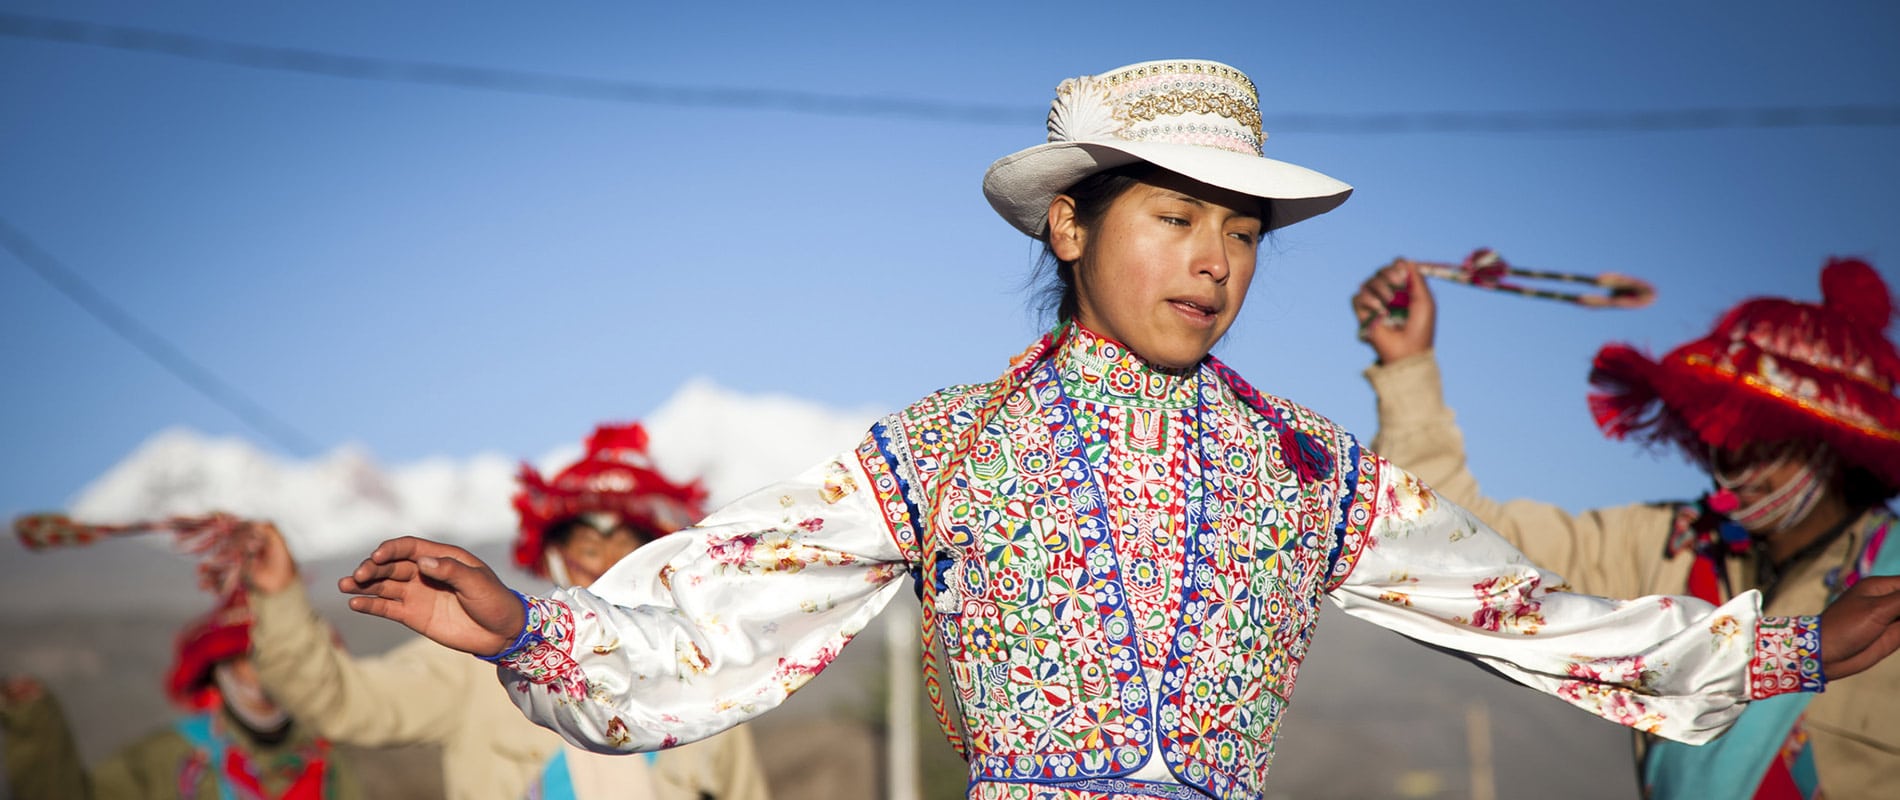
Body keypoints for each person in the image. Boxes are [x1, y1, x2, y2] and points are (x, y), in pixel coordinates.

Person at [336, 59, 1900, 800]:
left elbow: (1524, 615)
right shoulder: (949, 444)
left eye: (1241, 232)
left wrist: (1775, 656)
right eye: (1174, 218)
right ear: (1075, 227)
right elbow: (728, 606)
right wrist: (524, 627)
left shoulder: (1305, 464)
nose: (1214, 261)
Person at [1353, 256, 1900, 798]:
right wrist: (1409, 367)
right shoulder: (1666, 545)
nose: (1732, 460)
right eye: (1722, 431)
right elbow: (1456, 544)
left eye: (1763, 435)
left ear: (1835, 445)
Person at [244, 423, 770, 800]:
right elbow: (341, 703)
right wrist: (279, 597)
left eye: (629, 546)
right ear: (556, 558)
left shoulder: (701, 672)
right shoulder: (476, 659)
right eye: (589, 545)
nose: (608, 565)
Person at [1, 593, 359, 800]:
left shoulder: (326, 758)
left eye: (283, 661)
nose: (267, 678)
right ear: (219, 674)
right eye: (249, 661)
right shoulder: (168, 759)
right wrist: (35, 727)